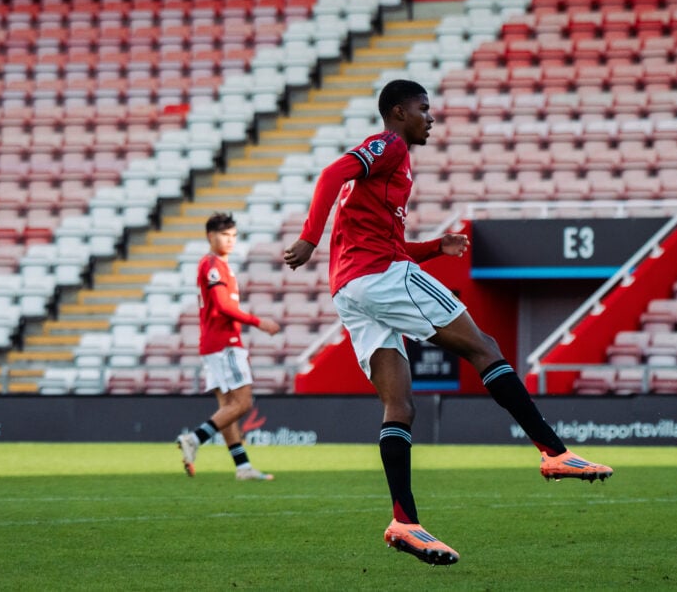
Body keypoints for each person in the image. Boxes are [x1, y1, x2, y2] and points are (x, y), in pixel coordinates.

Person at [283, 80, 613, 566]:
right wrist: (309, 238)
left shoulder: (388, 177)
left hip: (352, 290)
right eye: (423, 108)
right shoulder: (389, 145)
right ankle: (554, 452)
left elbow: (387, 244)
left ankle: (405, 522)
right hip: (379, 278)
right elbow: (331, 173)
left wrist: (436, 247)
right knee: (485, 347)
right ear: (398, 112)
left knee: (400, 406)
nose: (430, 117)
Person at [176, 213, 281, 480]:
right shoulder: (213, 265)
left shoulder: (218, 265)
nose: (230, 240)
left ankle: (242, 466)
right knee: (243, 403)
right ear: (210, 236)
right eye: (225, 235)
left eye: (234, 235)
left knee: (227, 408)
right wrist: (259, 322)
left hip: (213, 344)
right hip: (225, 344)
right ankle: (195, 438)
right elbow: (223, 306)